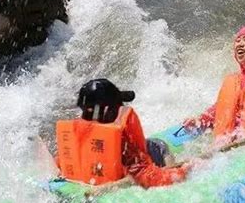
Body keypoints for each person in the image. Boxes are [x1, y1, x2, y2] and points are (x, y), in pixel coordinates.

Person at [55, 78, 189, 188]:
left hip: (92, 178)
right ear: (108, 109)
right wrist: (186, 171)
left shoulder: (75, 134)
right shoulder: (121, 137)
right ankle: (172, 164)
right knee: (159, 145)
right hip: (122, 178)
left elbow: (61, 164)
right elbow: (141, 176)